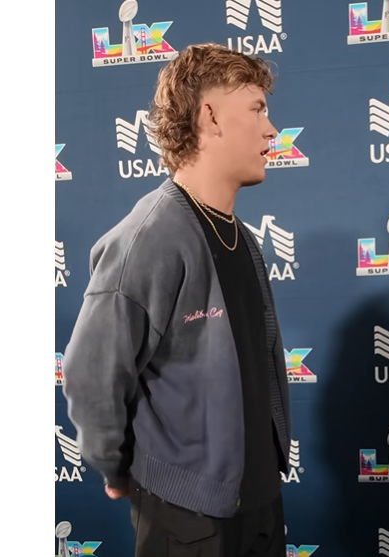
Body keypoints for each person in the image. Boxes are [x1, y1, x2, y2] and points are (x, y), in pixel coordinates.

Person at [61, 43, 290, 557]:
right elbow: (90, 375)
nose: (271, 130)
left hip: (259, 504)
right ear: (210, 116)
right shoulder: (150, 237)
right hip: (187, 519)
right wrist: (116, 468)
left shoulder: (241, 237)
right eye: (257, 110)